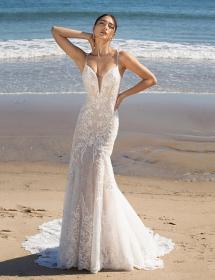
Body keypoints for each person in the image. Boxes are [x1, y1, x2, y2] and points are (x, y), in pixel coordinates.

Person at [21, 14, 175, 274]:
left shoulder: (120, 57)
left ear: (114, 34)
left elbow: (150, 79)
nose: (106, 28)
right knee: (84, 175)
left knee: (99, 167)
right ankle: (84, 241)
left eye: (111, 26)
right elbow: (55, 31)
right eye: (102, 24)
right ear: (95, 27)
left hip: (106, 123)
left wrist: (123, 95)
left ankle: (107, 240)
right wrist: (84, 37)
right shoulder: (83, 58)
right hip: (86, 123)